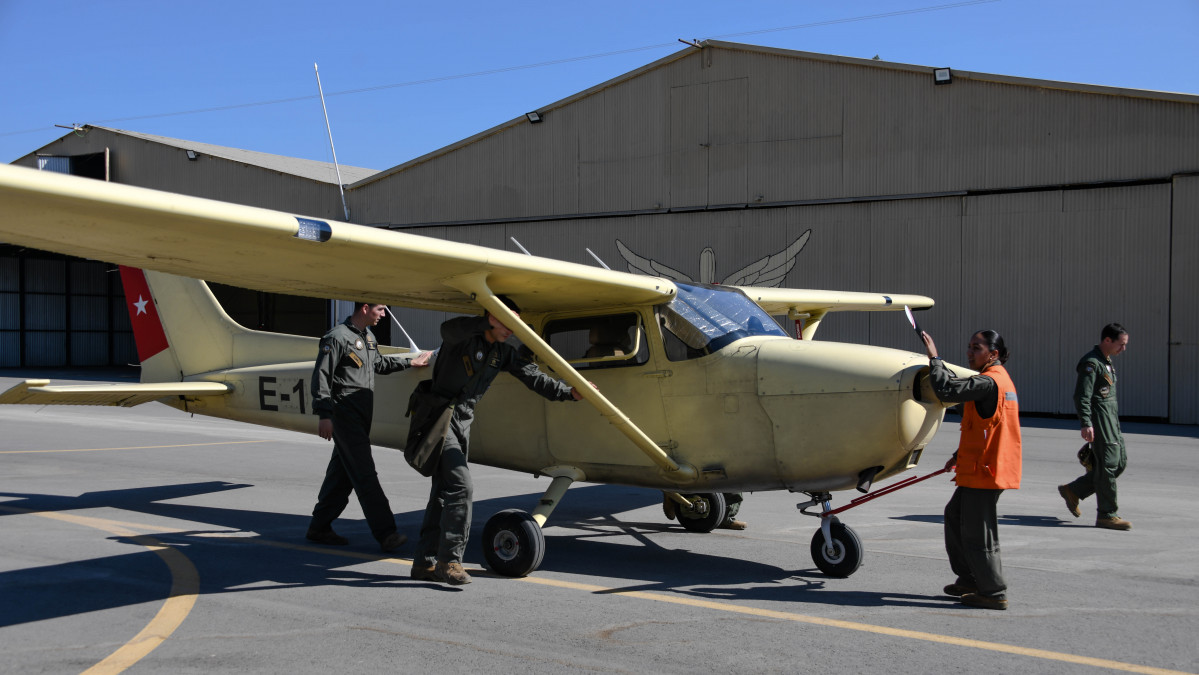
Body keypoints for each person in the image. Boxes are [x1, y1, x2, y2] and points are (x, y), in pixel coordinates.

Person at [412, 295, 586, 586]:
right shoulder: (463, 339)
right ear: (492, 318)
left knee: (444, 492)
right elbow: (447, 331)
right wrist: (484, 321)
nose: (511, 329)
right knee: (461, 485)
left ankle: (424, 564)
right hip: (438, 418)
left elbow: (533, 377)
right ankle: (449, 562)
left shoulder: (502, 353)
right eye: (507, 321)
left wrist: (570, 392)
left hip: (462, 421)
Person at [306, 302, 431, 551]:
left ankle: (319, 527)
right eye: (381, 310)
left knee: (341, 476)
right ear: (365, 308)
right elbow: (321, 376)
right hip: (344, 414)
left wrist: (410, 363)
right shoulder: (337, 337)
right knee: (364, 474)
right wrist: (324, 414)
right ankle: (386, 533)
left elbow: (379, 365)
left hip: (362, 414)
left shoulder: (368, 338)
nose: (384, 315)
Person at [921, 329, 1021, 611]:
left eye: (976, 348)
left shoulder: (989, 382)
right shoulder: (998, 381)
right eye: (969, 347)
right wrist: (958, 455)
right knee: (955, 515)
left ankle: (993, 591)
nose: (969, 352)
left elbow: (946, 390)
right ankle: (969, 579)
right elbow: (988, 426)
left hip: (987, 471)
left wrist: (934, 359)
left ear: (993, 354)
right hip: (980, 466)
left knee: (979, 532)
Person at [1059, 323, 1132, 531]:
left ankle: (1074, 490)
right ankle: (1107, 515)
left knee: (1118, 463)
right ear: (1107, 340)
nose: (1123, 349)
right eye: (1121, 344)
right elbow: (1082, 395)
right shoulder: (1091, 363)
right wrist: (1086, 423)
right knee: (1108, 465)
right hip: (1100, 419)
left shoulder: (1105, 361)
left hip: (1111, 419)